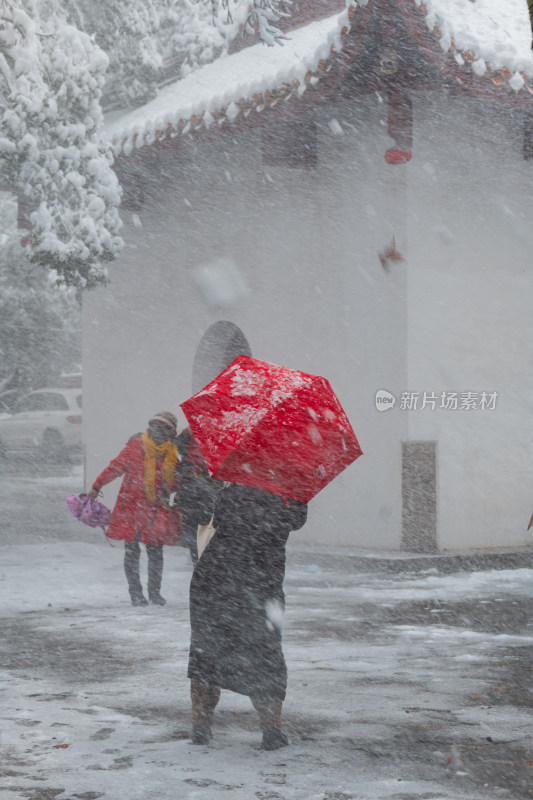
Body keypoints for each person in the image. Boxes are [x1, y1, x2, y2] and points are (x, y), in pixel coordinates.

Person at [187, 481, 307, 750]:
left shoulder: (228, 479)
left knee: (206, 652)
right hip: (262, 583)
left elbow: (204, 517)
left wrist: (220, 495)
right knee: (265, 654)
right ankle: (271, 729)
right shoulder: (292, 485)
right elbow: (296, 520)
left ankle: (200, 726)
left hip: (216, 578)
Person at [88, 411, 180, 607]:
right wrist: (97, 486)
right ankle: (136, 594)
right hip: (130, 507)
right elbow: (114, 468)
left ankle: (154, 593)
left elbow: (173, 484)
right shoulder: (135, 446)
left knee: (155, 551)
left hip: (155, 510)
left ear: (171, 432)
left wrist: (172, 483)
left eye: (163, 426)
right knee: (132, 551)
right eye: (154, 425)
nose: (157, 429)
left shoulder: (172, 454)